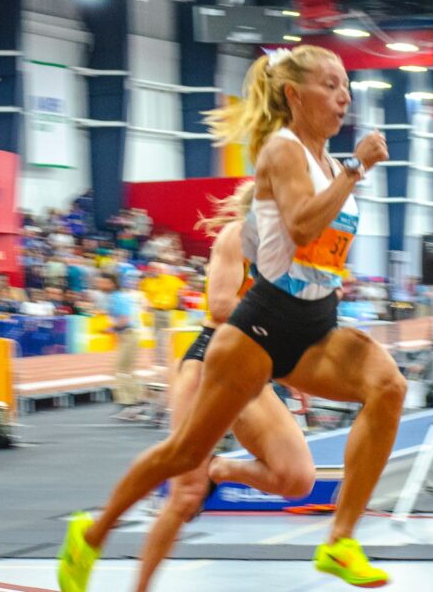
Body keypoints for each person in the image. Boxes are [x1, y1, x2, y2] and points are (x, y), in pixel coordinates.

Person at [58, 44, 404, 591]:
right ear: (294, 95)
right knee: (184, 456)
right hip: (259, 330)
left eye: (346, 85)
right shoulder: (284, 150)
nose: (344, 96)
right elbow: (302, 228)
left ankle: (339, 541)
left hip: (316, 325)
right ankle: (92, 534)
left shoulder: (327, 165)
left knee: (388, 387)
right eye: (330, 85)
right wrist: (357, 168)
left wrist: (340, 213)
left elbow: (320, 248)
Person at [134, 180, 314, 591]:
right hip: (209, 363)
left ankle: (219, 468)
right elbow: (220, 306)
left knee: (297, 477)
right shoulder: (237, 236)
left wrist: (291, 367)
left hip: (251, 368)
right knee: (185, 496)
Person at [97, 271, 143, 419]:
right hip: (128, 335)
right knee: (127, 370)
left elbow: (124, 320)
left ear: (111, 283)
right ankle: (137, 403)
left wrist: (109, 329)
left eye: (102, 282)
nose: (99, 285)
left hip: (128, 334)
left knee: (121, 370)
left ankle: (128, 405)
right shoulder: (116, 297)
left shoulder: (117, 298)